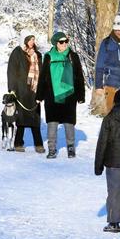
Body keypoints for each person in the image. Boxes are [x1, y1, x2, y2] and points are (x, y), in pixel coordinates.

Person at [36, 31, 85, 159]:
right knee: (52, 122)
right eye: (61, 42)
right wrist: (39, 95)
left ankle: (70, 148)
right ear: (55, 43)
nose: (64, 44)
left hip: (69, 94)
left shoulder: (73, 56)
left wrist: (81, 95)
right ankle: (52, 149)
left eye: (66, 41)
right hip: (51, 95)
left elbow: (79, 75)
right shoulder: (48, 56)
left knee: (69, 122)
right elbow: (43, 77)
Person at [95, 85, 120, 233]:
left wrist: (98, 166)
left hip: (112, 161)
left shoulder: (109, 118)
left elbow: (102, 143)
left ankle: (114, 222)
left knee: (113, 191)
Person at [6, 34, 45, 153]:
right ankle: (18, 143)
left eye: (33, 39)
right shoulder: (17, 52)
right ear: (24, 40)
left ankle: (38, 143)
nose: (32, 41)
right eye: (30, 39)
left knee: (35, 117)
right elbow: (11, 71)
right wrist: (12, 89)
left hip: (34, 90)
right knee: (21, 118)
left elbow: (41, 72)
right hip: (21, 90)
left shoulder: (37, 54)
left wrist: (42, 89)